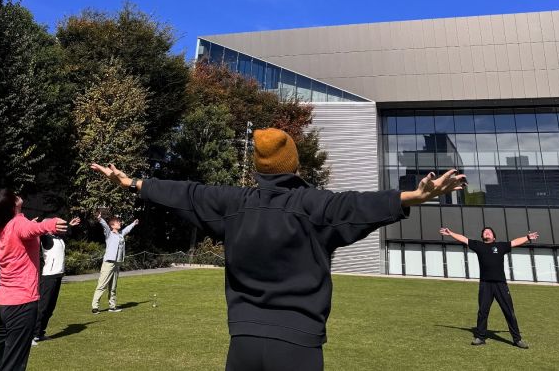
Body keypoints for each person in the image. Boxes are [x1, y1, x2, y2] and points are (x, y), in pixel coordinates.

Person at [91, 127, 466, 371]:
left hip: (244, 344)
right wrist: (412, 197)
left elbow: (186, 193)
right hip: (298, 347)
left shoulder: (233, 204)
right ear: (292, 165)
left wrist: (133, 182)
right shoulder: (314, 206)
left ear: (259, 169)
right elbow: (357, 205)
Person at [0, 188, 67, 371]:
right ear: (11, 206)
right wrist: (51, 223)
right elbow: (34, 228)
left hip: (1, 306)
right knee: (13, 364)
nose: (17, 195)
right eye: (13, 196)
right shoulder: (18, 224)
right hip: (21, 307)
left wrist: (44, 225)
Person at [439, 224, 539, 348]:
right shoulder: (479, 246)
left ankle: (517, 339)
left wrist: (528, 237)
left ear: (494, 237)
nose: (487, 233)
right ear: (482, 236)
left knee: (508, 311)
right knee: (483, 311)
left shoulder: (501, 246)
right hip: (485, 284)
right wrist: (451, 233)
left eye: (489, 232)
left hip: (500, 284)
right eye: (485, 232)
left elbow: (514, 242)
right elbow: (464, 239)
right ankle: (480, 337)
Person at [31, 215, 81, 345]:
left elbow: (66, 232)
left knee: (50, 307)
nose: (57, 225)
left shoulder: (58, 237)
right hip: (48, 276)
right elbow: (36, 231)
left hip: (58, 276)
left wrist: (70, 225)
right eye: (54, 224)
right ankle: (32, 335)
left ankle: (40, 333)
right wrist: (34, 224)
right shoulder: (45, 238)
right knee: (43, 307)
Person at [91, 211, 139, 313]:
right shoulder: (109, 234)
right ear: (112, 225)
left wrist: (134, 223)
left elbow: (127, 229)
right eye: (118, 222)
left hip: (117, 263)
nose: (120, 223)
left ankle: (112, 307)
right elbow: (105, 226)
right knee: (102, 285)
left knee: (113, 286)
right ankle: (95, 307)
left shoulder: (121, 234)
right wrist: (100, 219)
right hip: (108, 262)